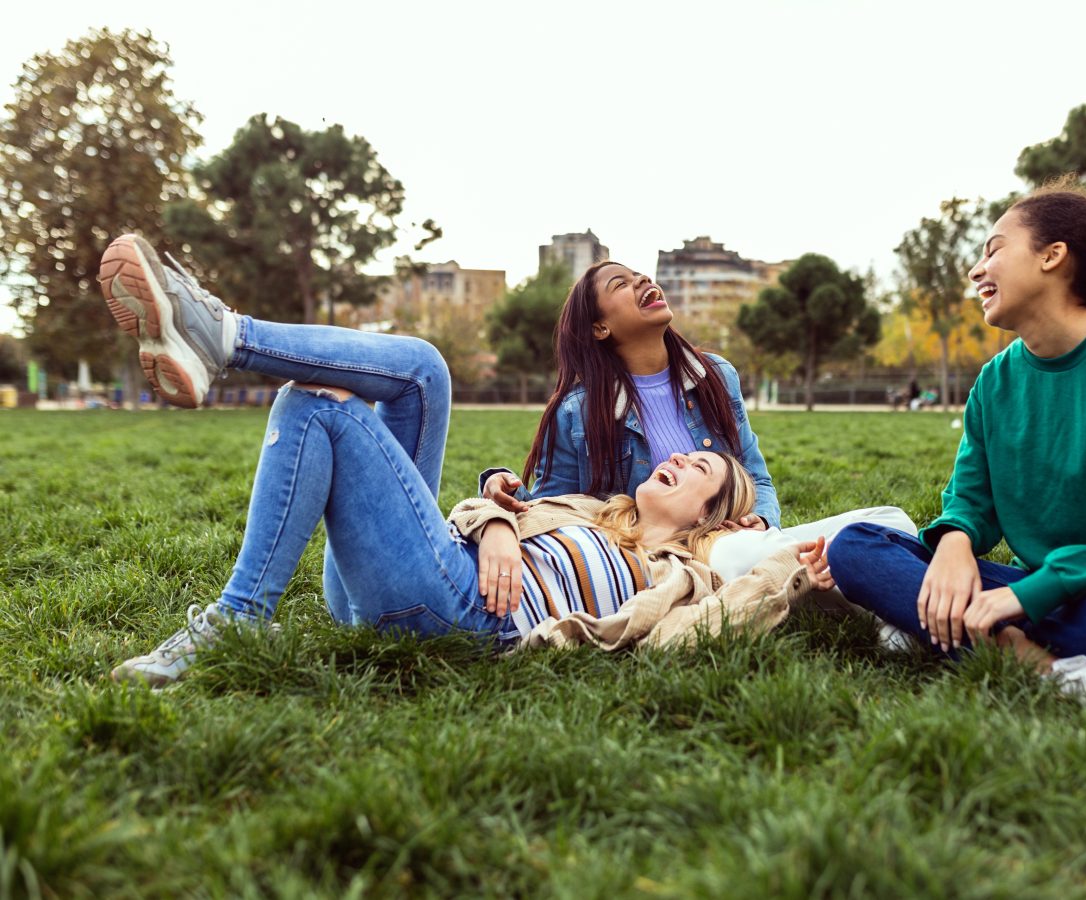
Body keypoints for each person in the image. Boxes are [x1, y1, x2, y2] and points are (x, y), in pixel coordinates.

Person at [96, 235, 833, 686]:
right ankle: (221, 335)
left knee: (317, 404)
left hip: (458, 608)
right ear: (602, 326)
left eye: (700, 468)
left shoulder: (685, 571)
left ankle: (238, 610)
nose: (678, 461)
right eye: (619, 279)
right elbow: (532, 501)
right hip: (443, 571)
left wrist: (764, 541)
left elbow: (752, 514)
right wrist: (500, 518)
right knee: (419, 368)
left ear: (710, 507)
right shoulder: (597, 488)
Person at [828, 180, 1086, 699]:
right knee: (856, 546)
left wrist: (1038, 590)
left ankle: (957, 636)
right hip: (1026, 595)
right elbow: (971, 502)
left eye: (994, 249)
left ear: (1052, 256)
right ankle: (1050, 669)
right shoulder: (994, 380)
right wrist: (954, 543)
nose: (976, 269)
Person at [478, 260, 918, 593]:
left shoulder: (715, 377)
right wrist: (499, 492)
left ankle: (838, 585)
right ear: (599, 327)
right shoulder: (577, 412)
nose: (643, 282)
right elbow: (558, 510)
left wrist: (760, 519)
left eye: (640, 276)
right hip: (671, 560)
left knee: (893, 521)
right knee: (758, 556)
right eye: (622, 284)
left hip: (737, 539)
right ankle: (853, 589)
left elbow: (754, 472)